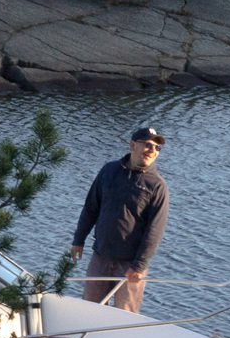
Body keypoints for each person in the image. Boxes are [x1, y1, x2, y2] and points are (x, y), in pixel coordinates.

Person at [69, 126, 170, 312]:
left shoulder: (157, 186)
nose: (152, 151)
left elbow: (154, 232)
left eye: (157, 148)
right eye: (148, 145)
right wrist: (78, 240)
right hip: (101, 256)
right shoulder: (109, 171)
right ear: (133, 145)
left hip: (130, 265)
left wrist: (139, 266)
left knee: (125, 318)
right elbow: (91, 207)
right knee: (89, 311)